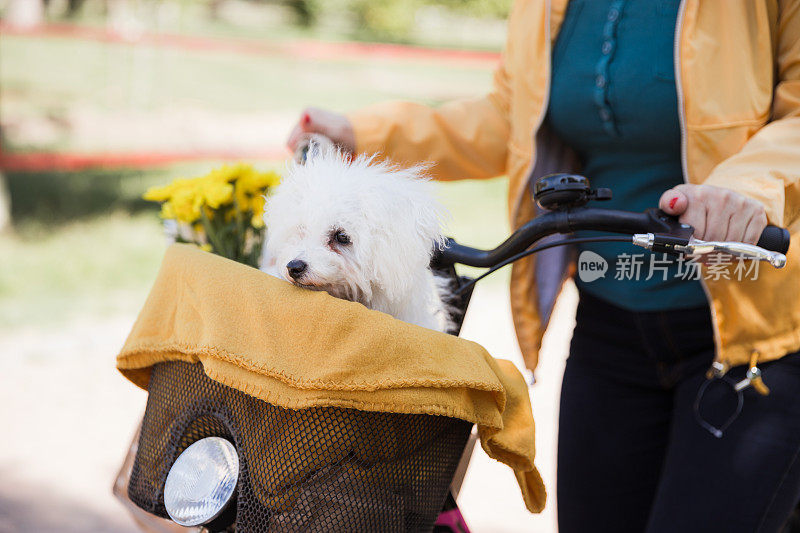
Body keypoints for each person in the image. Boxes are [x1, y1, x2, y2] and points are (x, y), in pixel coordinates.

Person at [286, 1, 800, 531]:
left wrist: (746, 191)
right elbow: (513, 116)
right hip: (609, 323)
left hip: (755, 335)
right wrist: (363, 136)